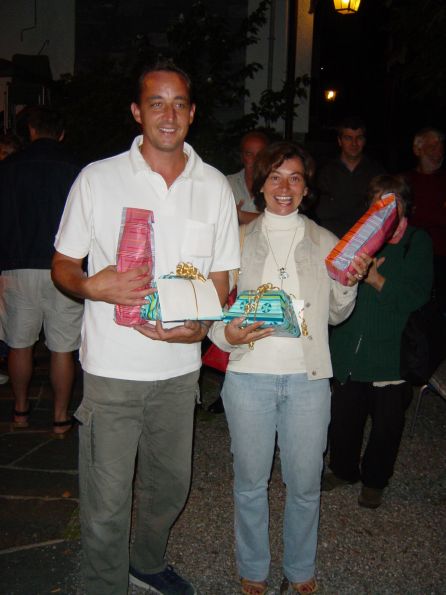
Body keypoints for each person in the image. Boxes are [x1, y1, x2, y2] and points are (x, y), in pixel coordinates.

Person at [51, 59, 240, 595]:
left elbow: (222, 277)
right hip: (113, 369)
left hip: (179, 371)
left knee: (170, 486)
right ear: (137, 111)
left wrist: (200, 327)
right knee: (107, 499)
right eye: (157, 103)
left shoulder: (214, 186)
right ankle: (104, 584)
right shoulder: (98, 178)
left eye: (179, 104)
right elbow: (63, 264)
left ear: (193, 113)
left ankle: (147, 563)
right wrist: (94, 286)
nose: (168, 115)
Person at [208, 141, 370, 595]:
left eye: (295, 177)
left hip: (307, 380)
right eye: (275, 177)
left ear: (305, 188)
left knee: (304, 484)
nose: (285, 186)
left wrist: (348, 283)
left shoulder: (326, 242)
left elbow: (335, 314)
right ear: (260, 185)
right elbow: (213, 309)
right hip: (248, 378)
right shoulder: (237, 240)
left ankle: (300, 567)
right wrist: (227, 336)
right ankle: (253, 567)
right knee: (249, 482)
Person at [324, 174, 433, 509]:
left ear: (405, 206)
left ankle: (374, 481)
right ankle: (343, 470)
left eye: (392, 203)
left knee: (387, 427)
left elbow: (416, 295)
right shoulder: (358, 237)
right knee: (344, 419)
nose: (384, 210)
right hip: (349, 350)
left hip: (391, 356)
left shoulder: (416, 242)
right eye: (377, 202)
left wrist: (376, 279)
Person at [0, 107, 82, 434]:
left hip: (18, 265)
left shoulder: (8, 168)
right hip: (67, 267)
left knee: (19, 343)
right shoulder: (78, 168)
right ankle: (60, 417)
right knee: (63, 347)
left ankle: (20, 410)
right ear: (61, 133)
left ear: (32, 130)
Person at [314, 116, 385, 237]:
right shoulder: (325, 171)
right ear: (339, 141)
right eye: (348, 138)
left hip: (366, 237)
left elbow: (381, 211)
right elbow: (322, 211)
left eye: (359, 138)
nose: (354, 143)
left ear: (364, 141)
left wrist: (339, 202)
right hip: (331, 237)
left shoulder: (376, 171)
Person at [405, 127, 446, 314]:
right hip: (411, 254)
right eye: (433, 146)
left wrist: (419, 214)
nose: (439, 151)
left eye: (441, 146)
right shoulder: (405, 181)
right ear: (418, 149)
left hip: (441, 256)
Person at [227, 130, 269, 224]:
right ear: (242, 157)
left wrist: (239, 215)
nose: (255, 160)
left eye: (260, 155)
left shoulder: (277, 186)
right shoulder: (227, 183)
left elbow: (279, 222)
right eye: (249, 154)